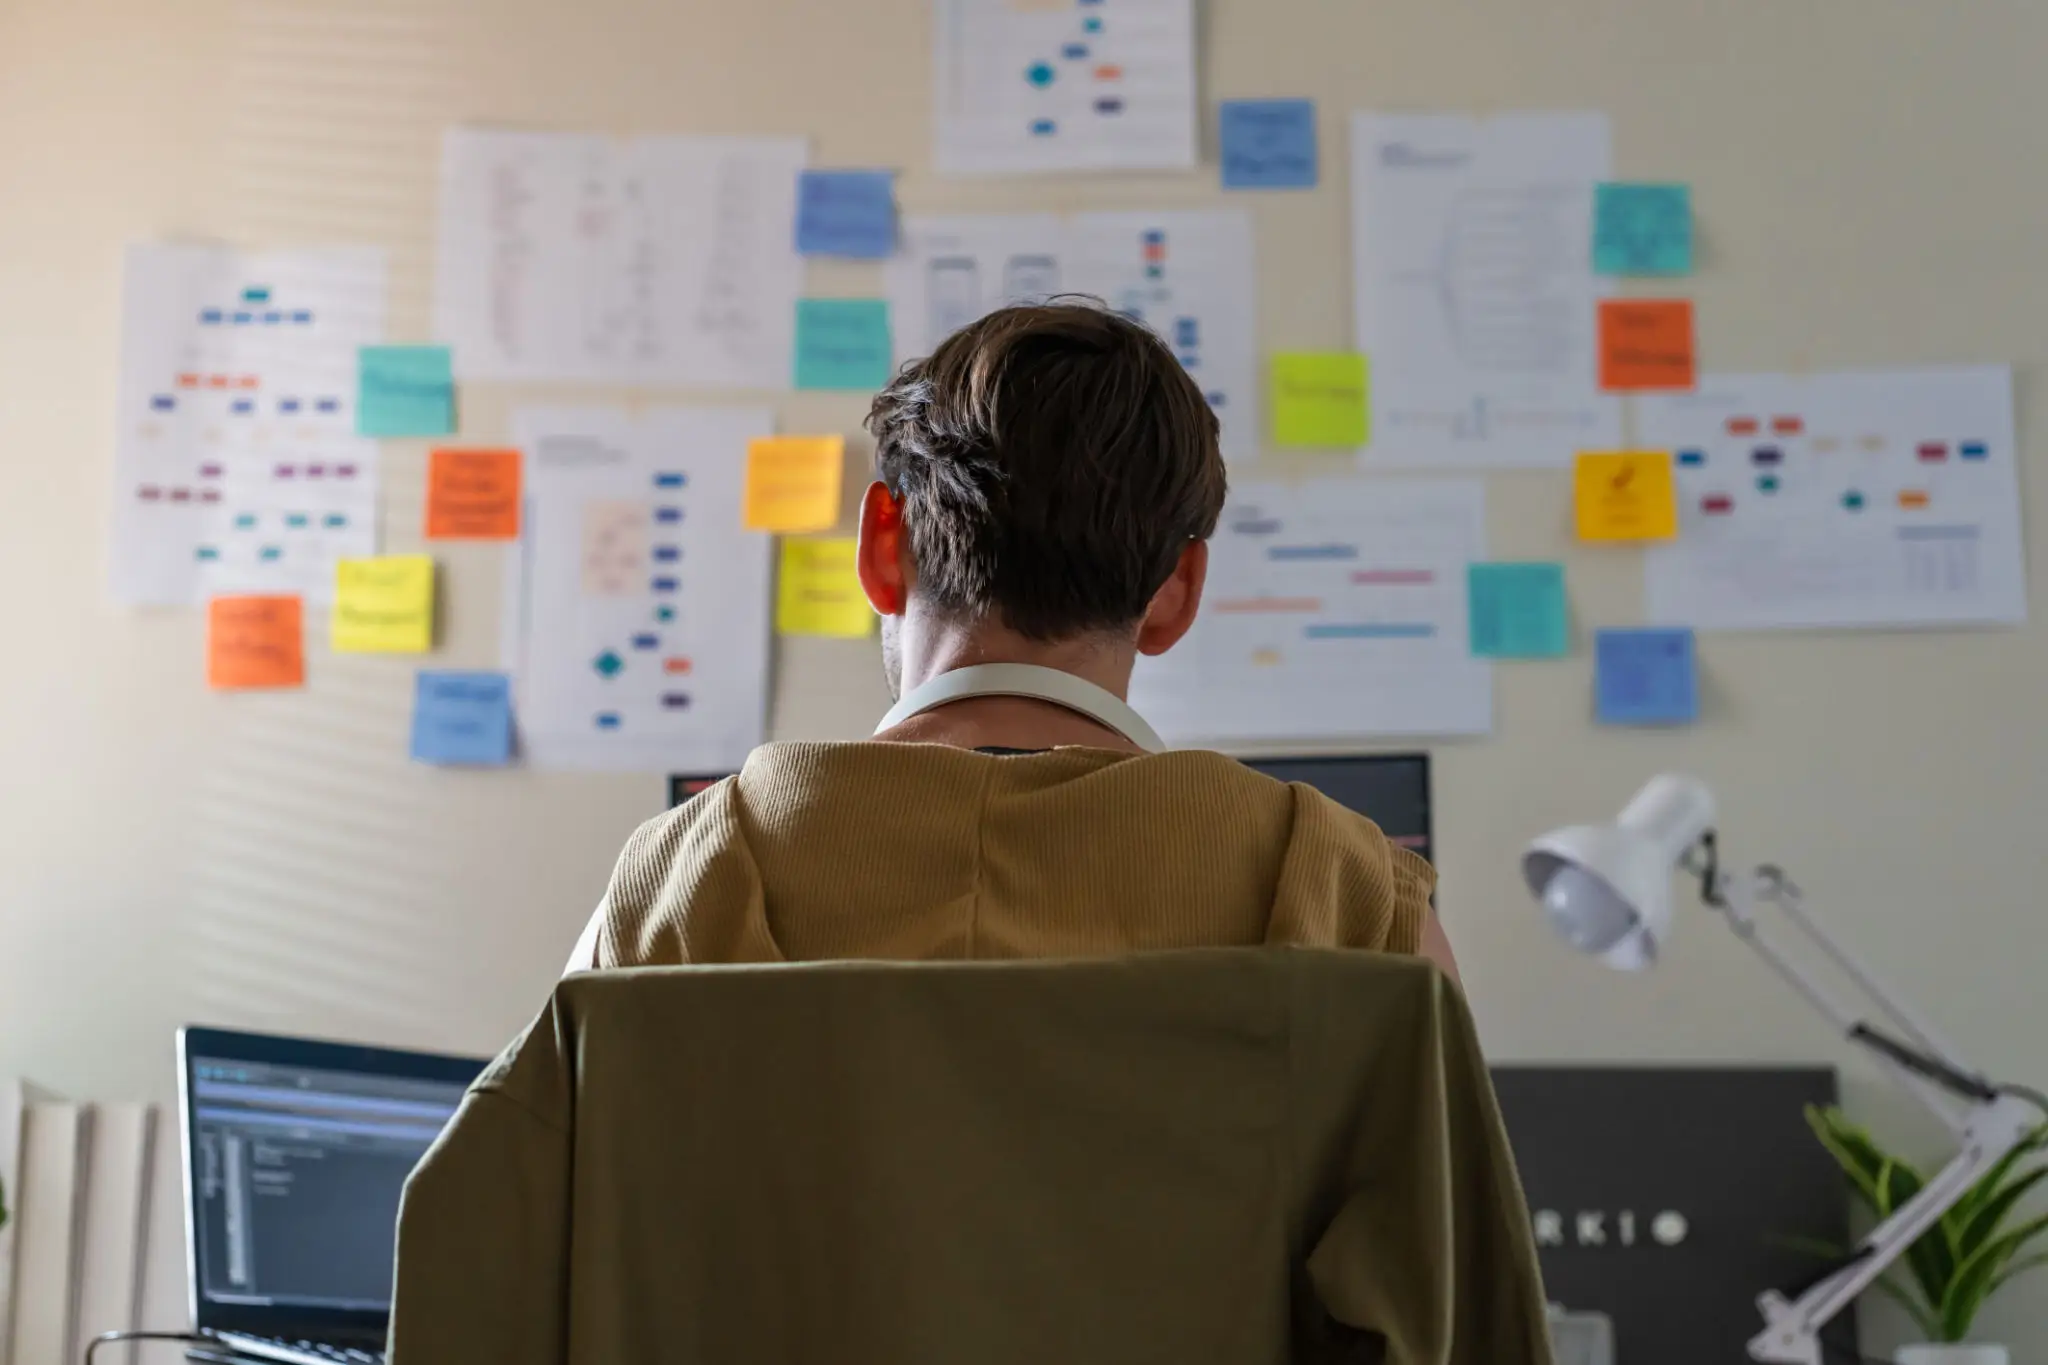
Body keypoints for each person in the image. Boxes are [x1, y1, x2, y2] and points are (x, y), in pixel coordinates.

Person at [564, 301, 1459, 982]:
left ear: (883, 546)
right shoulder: (1355, 902)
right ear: (1177, 592)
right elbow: (1447, 1223)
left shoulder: (682, 888)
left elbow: (523, 1219)